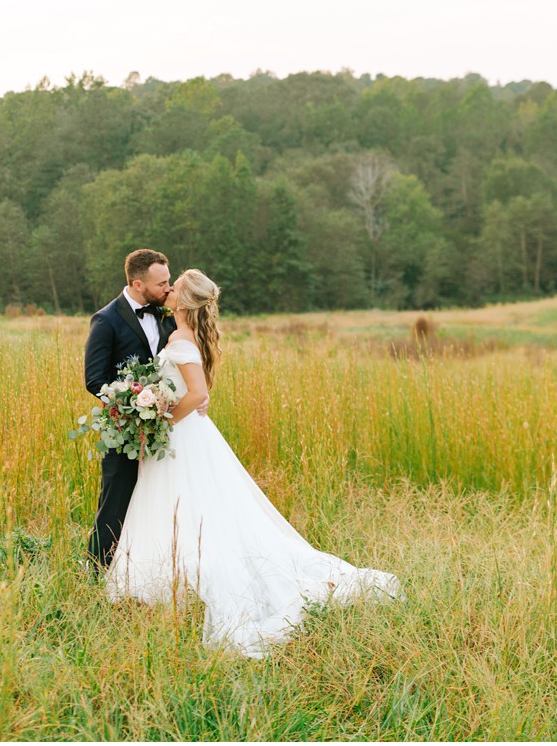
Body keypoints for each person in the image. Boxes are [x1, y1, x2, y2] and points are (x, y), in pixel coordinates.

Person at [106, 269, 402, 656]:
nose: (169, 289)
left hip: (181, 434)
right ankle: (165, 581)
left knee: (191, 506)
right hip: (187, 434)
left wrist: (160, 421)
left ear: (185, 300)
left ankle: (180, 582)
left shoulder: (180, 338)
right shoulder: (178, 333)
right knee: (187, 505)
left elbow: (196, 394)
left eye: (174, 286)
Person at [84, 251, 177, 569]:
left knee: (160, 494)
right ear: (138, 283)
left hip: (165, 422)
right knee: (117, 495)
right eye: (162, 283)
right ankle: (97, 567)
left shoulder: (167, 314)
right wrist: (130, 405)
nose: (169, 287)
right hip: (124, 425)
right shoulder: (106, 319)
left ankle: (151, 565)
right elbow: (95, 378)